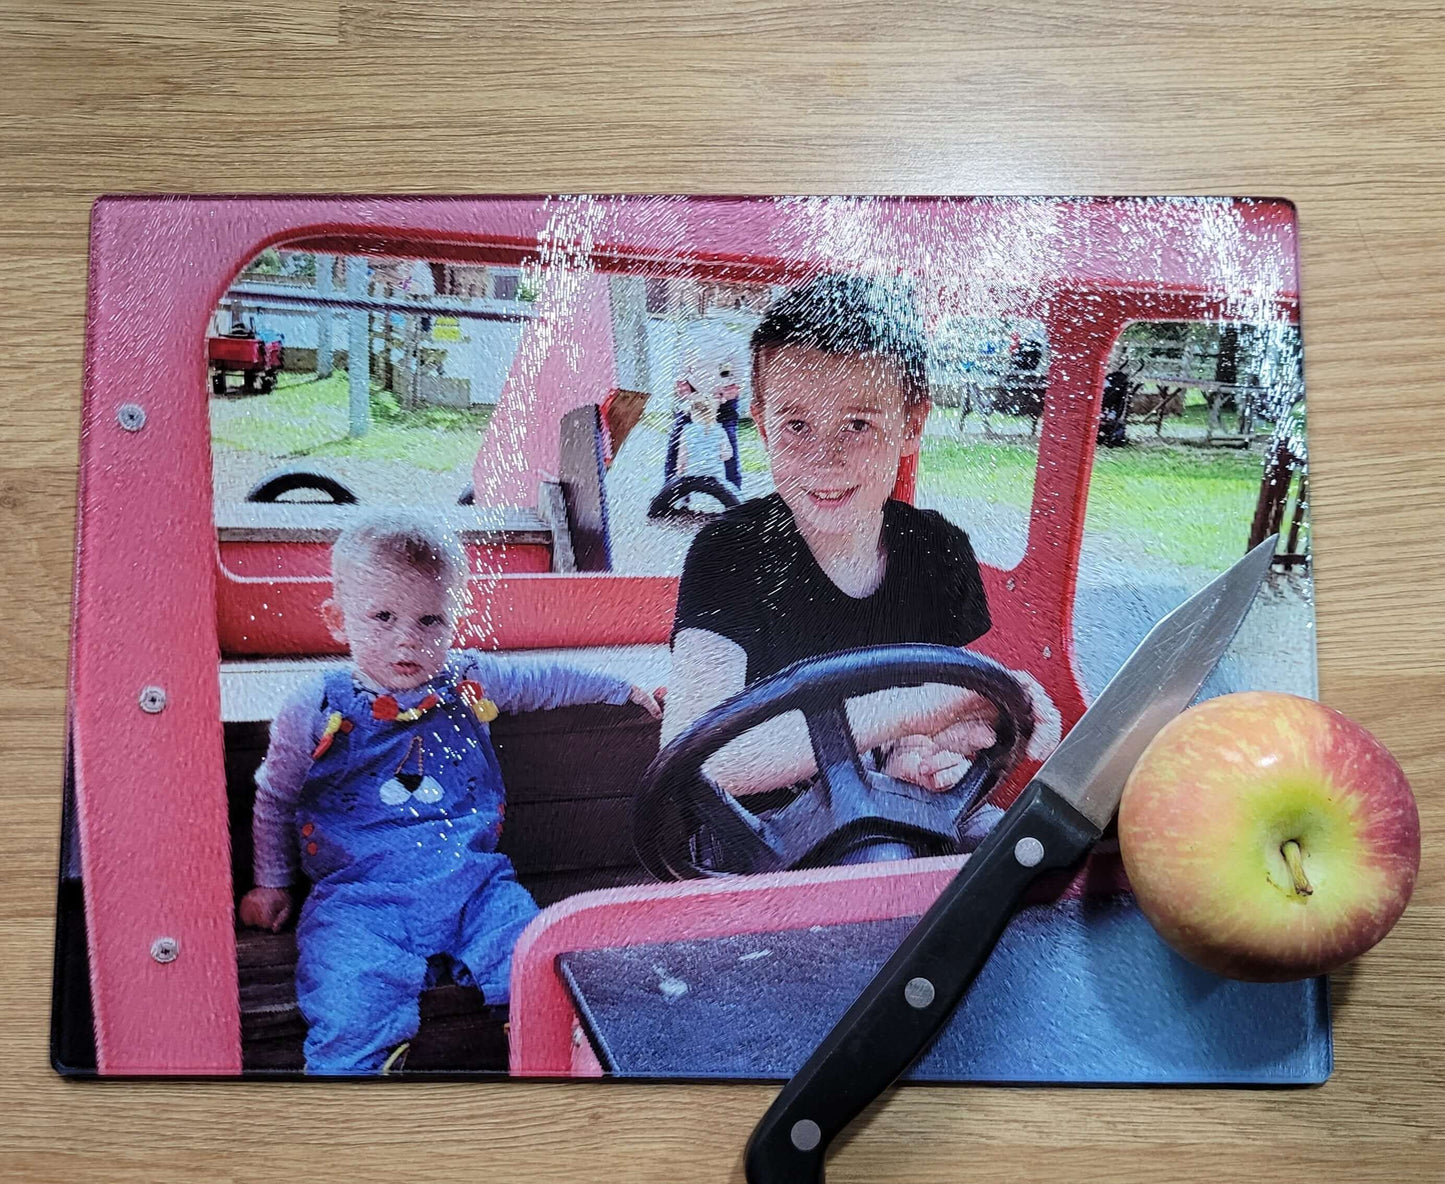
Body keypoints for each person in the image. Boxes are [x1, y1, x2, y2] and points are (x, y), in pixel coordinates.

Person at [238, 511, 660, 1074]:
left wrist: (622, 688)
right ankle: (355, 1102)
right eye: (383, 616)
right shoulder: (316, 706)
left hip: (472, 885)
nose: (407, 639)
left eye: (430, 619)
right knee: (347, 997)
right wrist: (271, 880)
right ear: (339, 620)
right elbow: (276, 798)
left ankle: (554, 1064)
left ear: (454, 619)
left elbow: (546, 682)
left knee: (538, 964)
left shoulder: (467, 682)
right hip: (360, 898)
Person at [662, 273, 1059, 805]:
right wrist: (925, 707)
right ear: (761, 426)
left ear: (912, 423)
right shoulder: (728, 554)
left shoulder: (939, 554)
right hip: (757, 848)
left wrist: (937, 743)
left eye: (857, 425)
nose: (824, 460)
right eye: (796, 426)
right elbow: (706, 758)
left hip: (893, 817)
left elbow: (921, 724)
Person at [675, 389, 739, 508]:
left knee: (694, 492)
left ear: (693, 414)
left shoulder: (687, 431)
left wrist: (680, 469)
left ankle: (691, 506)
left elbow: (682, 455)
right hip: (715, 473)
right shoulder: (720, 431)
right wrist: (717, 456)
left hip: (694, 473)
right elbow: (728, 454)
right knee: (716, 494)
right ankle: (715, 509)